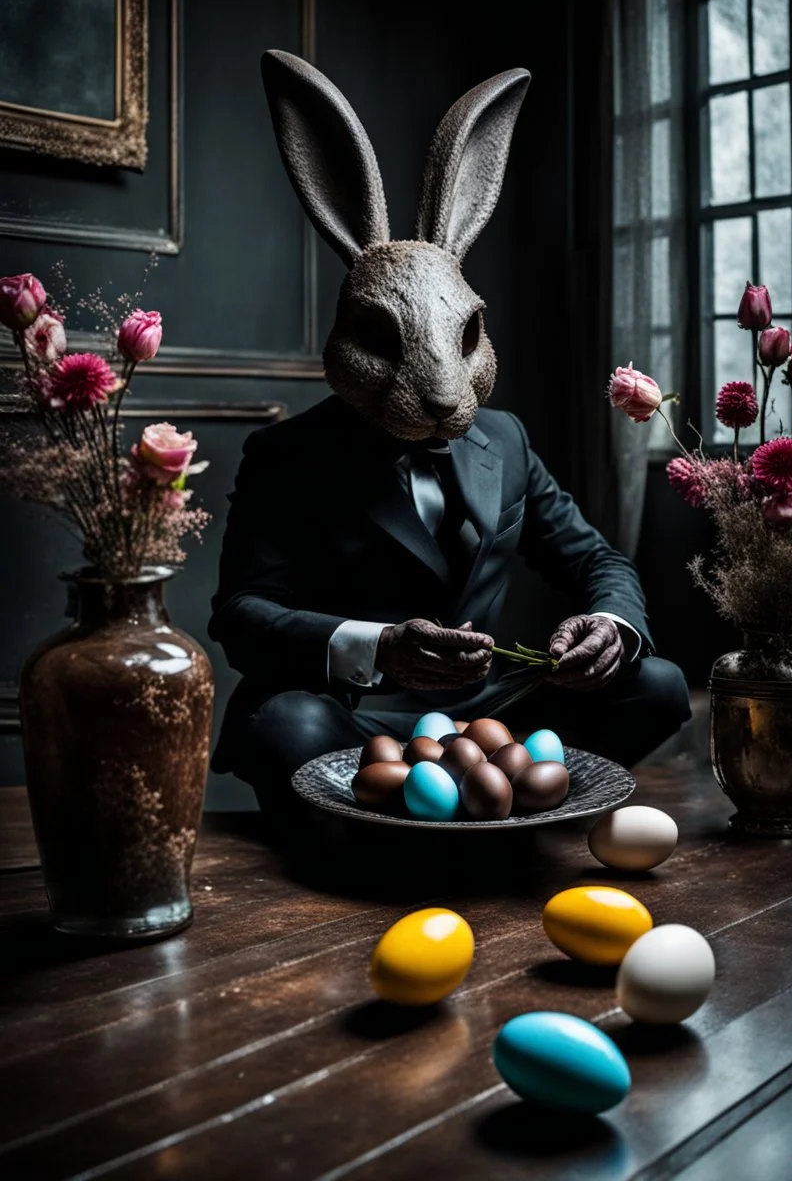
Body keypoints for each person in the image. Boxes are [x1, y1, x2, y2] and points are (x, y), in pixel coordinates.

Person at [209, 51, 690, 819]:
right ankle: (442, 806)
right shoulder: (288, 455)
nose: (439, 394)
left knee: (657, 683)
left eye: (462, 342)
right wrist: (378, 646)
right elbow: (242, 616)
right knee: (284, 723)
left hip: (492, 709)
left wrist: (610, 626)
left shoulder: (505, 437)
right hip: (360, 713)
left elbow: (594, 557)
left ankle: (456, 802)